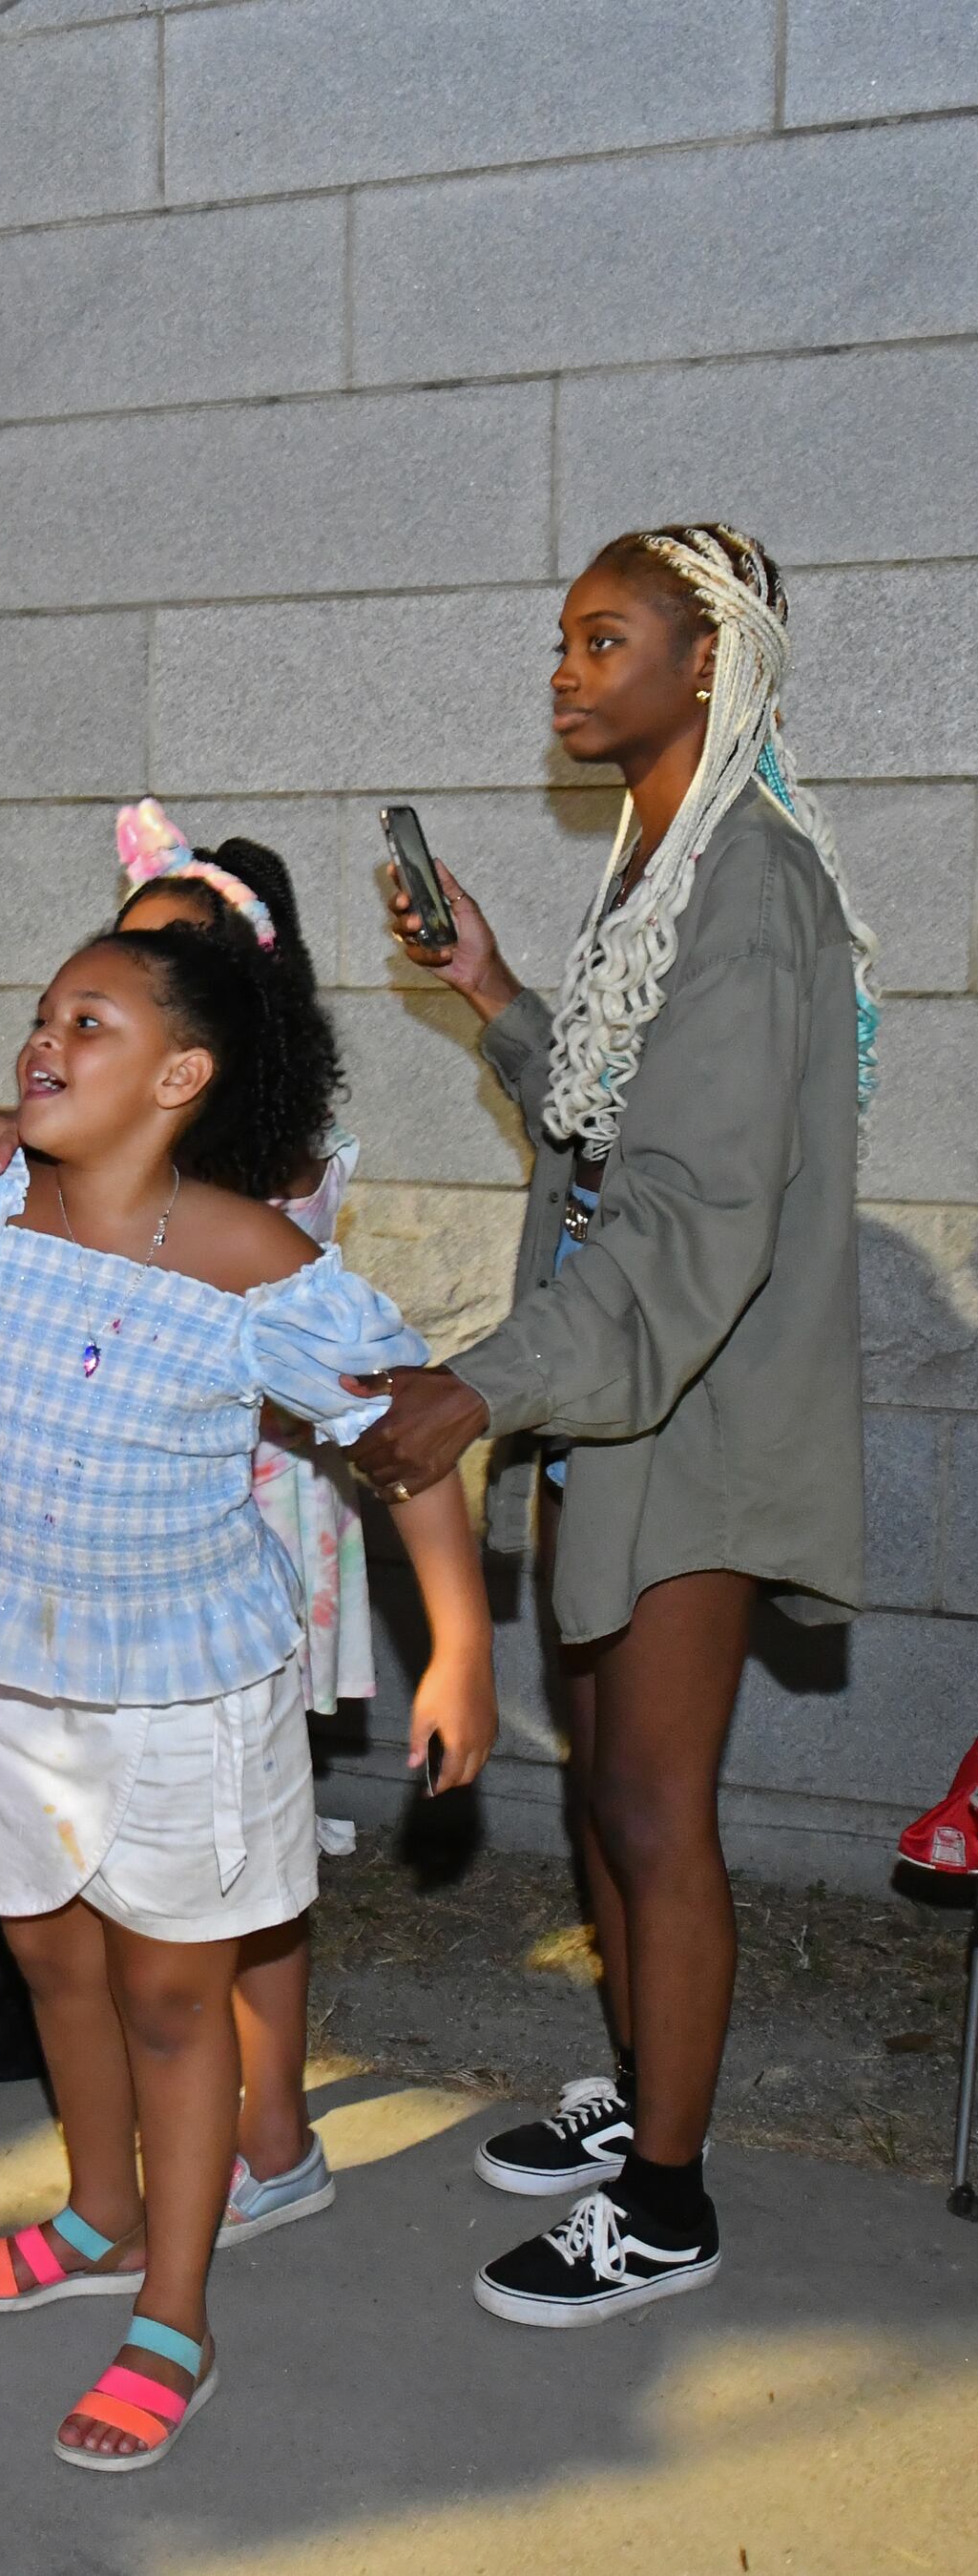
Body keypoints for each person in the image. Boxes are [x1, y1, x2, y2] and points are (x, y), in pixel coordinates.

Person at [0, 856, 497, 2472]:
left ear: (180, 1077)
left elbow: (414, 1429)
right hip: (24, 1671)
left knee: (174, 1991)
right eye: (39, 1016)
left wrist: (462, 1645)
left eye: (87, 1021)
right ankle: (99, 2203)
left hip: (188, 1693)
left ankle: (176, 2304)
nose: (42, 1041)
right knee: (50, 1957)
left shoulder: (247, 1259)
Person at [350, 524, 878, 2330]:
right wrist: (495, 991)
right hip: (612, 1403)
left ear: (709, 665)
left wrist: (481, 1385)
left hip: (692, 1420)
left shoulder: (751, 885)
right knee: (599, 1780)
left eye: (605, 640)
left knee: (659, 1803)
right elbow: (605, 1126)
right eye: (561, 640)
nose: (566, 670)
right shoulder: (662, 860)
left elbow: (687, 1229)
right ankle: (640, 2073)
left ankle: (667, 2193)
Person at [0, 812, 359, 2249]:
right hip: (69, 1525)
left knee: (232, 1883)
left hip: (231, 1499)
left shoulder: (268, 1165)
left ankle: (270, 2130)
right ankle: (127, 2180)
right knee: (103, 1901)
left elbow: (321, 1347)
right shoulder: (70, 1142)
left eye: (171, 952)